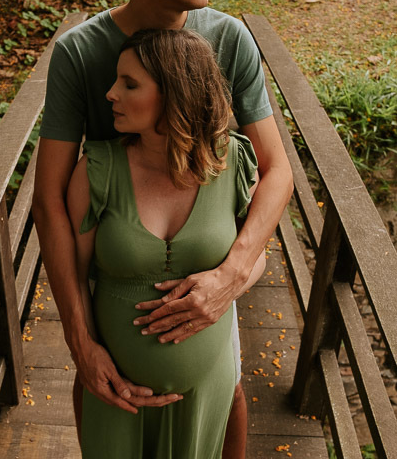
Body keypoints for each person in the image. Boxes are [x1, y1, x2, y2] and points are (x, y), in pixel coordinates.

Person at [31, 0, 293, 458]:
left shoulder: (229, 41)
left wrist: (231, 277)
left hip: (205, 250)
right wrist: (79, 339)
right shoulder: (80, 53)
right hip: (116, 263)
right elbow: (49, 199)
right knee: (99, 393)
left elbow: (276, 171)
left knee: (232, 392)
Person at [67, 28, 266, 457]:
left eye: (129, 84)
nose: (110, 94)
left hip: (205, 392)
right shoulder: (96, 171)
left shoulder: (231, 161)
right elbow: (72, 276)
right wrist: (86, 354)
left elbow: (257, 255)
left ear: (176, 93)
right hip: (117, 393)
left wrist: (226, 285)